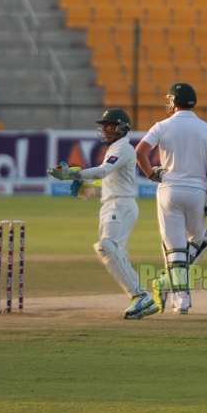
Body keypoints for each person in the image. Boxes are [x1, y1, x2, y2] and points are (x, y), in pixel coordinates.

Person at [48, 108, 159, 320]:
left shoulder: (124, 148)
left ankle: (140, 295)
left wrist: (72, 174)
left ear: (123, 128)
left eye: (110, 125)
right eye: (104, 126)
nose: (105, 129)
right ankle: (142, 301)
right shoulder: (114, 149)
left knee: (106, 247)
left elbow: (103, 171)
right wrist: (91, 190)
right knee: (118, 253)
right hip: (113, 204)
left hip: (121, 206)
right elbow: (111, 182)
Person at [135, 83, 207, 315]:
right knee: (201, 238)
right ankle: (178, 299)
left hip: (169, 190)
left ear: (174, 102)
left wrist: (152, 173)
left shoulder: (162, 126)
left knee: (174, 250)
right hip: (196, 191)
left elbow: (140, 152)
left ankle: (176, 295)